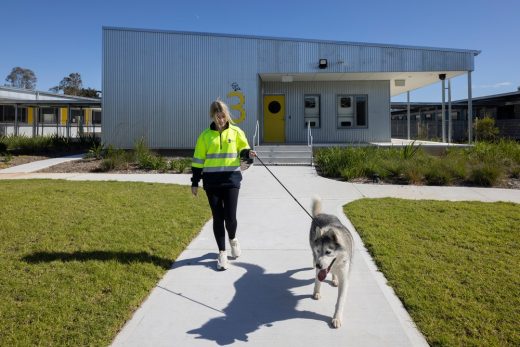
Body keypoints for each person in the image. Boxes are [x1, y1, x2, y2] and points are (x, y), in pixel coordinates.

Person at [191, 99, 256, 270]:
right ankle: (222, 253)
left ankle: (233, 239)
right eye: (217, 117)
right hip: (212, 183)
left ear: (227, 116)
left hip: (231, 181)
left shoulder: (236, 132)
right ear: (212, 116)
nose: (221, 120)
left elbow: (244, 151)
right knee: (218, 218)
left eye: (223, 117)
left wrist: (248, 154)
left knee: (230, 218)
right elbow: (198, 161)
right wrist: (195, 182)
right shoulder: (205, 136)